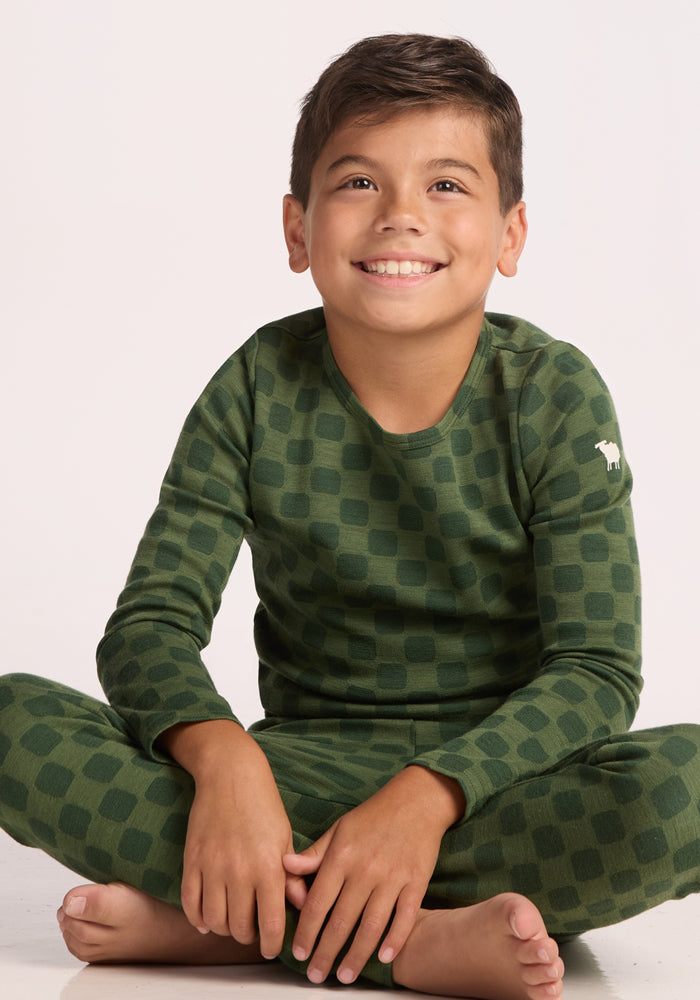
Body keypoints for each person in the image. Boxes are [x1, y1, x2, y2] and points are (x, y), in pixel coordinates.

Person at [1, 33, 698, 1000]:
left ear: (511, 234)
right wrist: (225, 761)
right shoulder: (255, 385)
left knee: (685, 793)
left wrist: (427, 799)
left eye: (448, 185)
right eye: (360, 183)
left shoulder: (555, 393)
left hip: (496, 793)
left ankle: (235, 920)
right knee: (10, 723)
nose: (402, 216)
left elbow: (596, 669)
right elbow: (150, 626)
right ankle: (410, 943)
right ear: (298, 229)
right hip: (290, 782)